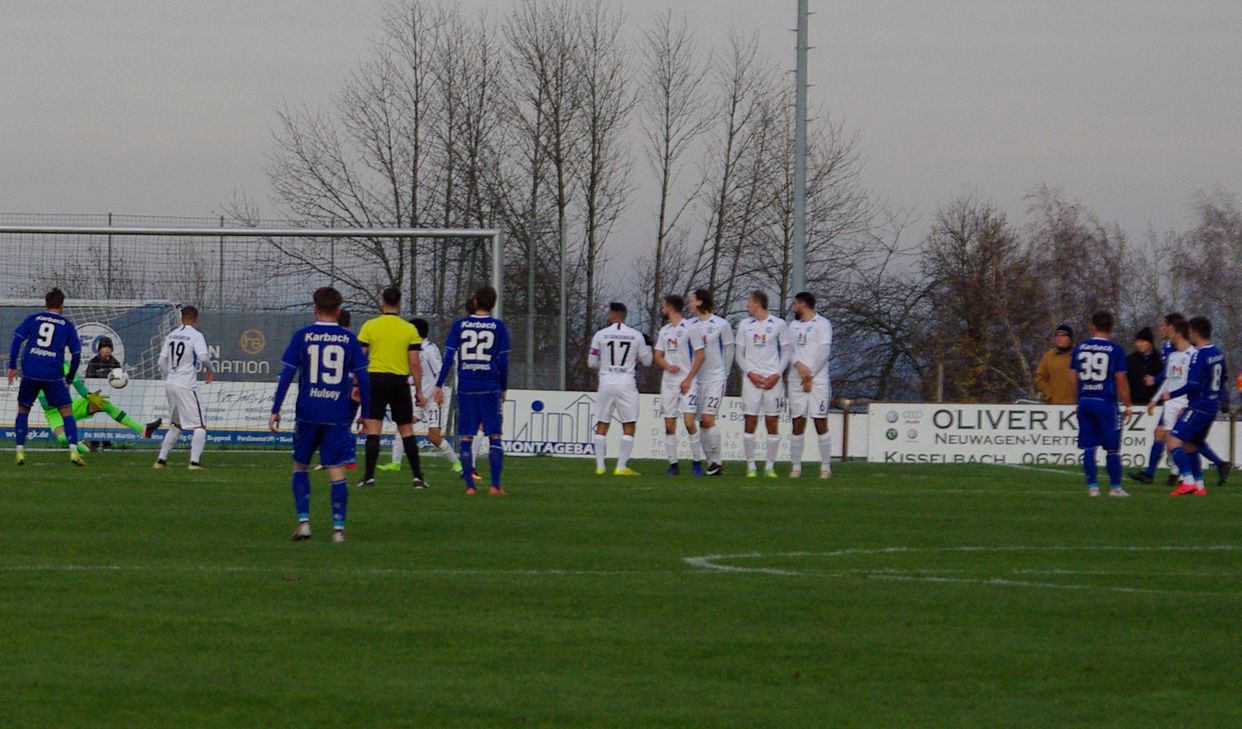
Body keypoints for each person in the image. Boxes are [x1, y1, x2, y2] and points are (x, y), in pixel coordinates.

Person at [270, 287, 370, 543]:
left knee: (300, 466)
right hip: (337, 412)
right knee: (337, 470)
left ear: (315, 309)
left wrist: (275, 409)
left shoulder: (303, 336)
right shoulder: (349, 339)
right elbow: (363, 378)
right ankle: (338, 530)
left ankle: (304, 523)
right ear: (338, 311)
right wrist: (366, 414)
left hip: (308, 411)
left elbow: (287, 373)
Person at [433, 285, 511, 495]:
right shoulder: (498, 327)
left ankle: (470, 486)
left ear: (475, 301)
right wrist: (504, 386)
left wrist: (439, 384)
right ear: (493, 304)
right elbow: (503, 362)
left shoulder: (460, 325)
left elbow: (449, 357)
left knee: (467, 435)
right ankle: (495, 485)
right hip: (490, 386)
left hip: (466, 386)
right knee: (494, 435)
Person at [379, 317, 473, 479]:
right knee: (404, 425)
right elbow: (422, 374)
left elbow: (439, 373)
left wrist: (431, 395)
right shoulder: (417, 350)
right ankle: (395, 463)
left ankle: (457, 463)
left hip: (431, 399)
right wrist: (408, 381)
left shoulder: (428, 350)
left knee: (433, 437)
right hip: (420, 397)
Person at [356, 287, 426, 489]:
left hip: (375, 380)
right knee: (406, 429)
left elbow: (360, 358)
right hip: (399, 382)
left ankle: (368, 477)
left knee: (373, 428)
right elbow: (415, 362)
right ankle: (418, 478)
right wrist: (419, 390)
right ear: (400, 303)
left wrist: (356, 384)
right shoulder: (409, 329)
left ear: (382, 302)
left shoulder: (370, 326)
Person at [8, 288, 85, 466]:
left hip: (31, 372)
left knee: (23, 410)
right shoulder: (66, 325)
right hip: (53, 375)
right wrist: (70, 377)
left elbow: (17, 339)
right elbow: (76, 354)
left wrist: (12, 366)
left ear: (46, 304)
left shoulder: (33, 319)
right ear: (62, 305)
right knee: (66, 412)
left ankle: (20, 451)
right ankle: (74, 451)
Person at [1161, 316, 1229, 496]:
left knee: (1173, 441)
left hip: (1199, 406)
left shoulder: (1199, 355)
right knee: (1190, 445)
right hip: (1211, 407)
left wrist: (1171, 394)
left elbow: (1192, 384)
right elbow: (1223, 378)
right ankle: (1199, 486)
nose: (1188, 334)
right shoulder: (1218, 353)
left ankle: (1188, 482)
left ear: (1195, 332)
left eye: (1190, 331)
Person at [1070, 311, 1132, 497]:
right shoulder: (1115, 349)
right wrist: (1128, 404)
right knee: (1112, 448)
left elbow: (1072, 377)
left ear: (1092, 326)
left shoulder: (1080, 347)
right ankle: (1115, 488)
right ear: (1111, 328)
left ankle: (1093, 488)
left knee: (1089, 446)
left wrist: (1078, 401)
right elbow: (1120, 378)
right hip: (1105, 402)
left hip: (1085, 400)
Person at [588, 302, 653, 476]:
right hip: (626, 382)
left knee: (602, 423)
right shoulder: (636, 335)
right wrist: (648, 347)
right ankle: (621, 467)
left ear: (613, 314)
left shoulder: (600, 334)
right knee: (629, 424)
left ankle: (600, 466)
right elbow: (647, 362)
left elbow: (591, 362)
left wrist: (606, 366)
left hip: (606, 382)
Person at [40, 360, 161, 454]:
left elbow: (79, 386)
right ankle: (86, 450)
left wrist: (90, 396)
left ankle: (143, 430)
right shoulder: (40, 372)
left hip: (70, 405)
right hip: (54, 412)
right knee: (63, 438)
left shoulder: (66, 364)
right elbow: (46, 404)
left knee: (103, 403)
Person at [1130, 318, 1193, 485]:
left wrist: (1189, 404)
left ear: (1178, 333)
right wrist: (1154, 400)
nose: (1167, 334)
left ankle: (1183, 476)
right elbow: (1168, 380)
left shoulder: (1193, 355)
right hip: (1170, 404)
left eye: (1170, 331)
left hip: (1184, 403)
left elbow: (1194, 383)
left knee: (1182, 442)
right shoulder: (1173, 356)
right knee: (1164, 436)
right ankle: (1162, 474)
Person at [735, 290, 791, 478]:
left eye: (749, 302)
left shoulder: (778, 324)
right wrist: (751, 374)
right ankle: (751, 466)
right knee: (750, 421)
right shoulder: (745, 325)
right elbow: (739, 354)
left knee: (772, 421)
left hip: (772, 381)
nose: (747, 306)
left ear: (757, 304)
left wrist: (777, 375)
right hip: (752, 381)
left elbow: (787, 352)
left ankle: (770, 467)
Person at [154, 305, 215, 469]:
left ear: (181, 318)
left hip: (170, 383)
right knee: (200, 425)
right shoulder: (196, 335)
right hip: (186, 384)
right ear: (196, 320)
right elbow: (203, 357)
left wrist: (170, 375)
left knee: (176, 425)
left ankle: (161, 460)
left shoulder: (171, 335)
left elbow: (161, 361)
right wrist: (211, 370)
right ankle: (194, 462)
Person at [653, 294, 706, 476]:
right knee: (669, 424)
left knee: (689, 422)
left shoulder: (690, 328)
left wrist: (688, 378)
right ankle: (673, 464)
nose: (662, 309)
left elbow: (700, 355)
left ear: (670, 307)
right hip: (669, 383)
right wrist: (668, 366)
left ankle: (697, 462)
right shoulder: (665, 331)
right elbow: (658, 355)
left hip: (687, 382)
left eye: (664, 306)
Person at [787, 291, 834, 479]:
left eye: (795, 304)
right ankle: (796, 467)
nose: (793, 308)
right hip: (796, 379)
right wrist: (799, 366)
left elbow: (824, 352)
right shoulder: (793, 325)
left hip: (818, 380)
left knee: (819, 421)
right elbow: (789, 350)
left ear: (803, 304)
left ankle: (826, 467)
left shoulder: (823, 324)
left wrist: (810, 375)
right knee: (797, 421)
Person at [688, 289, 734, 476]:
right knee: (702, 422)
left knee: (708, 419)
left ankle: (717, 459)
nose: (689, 304)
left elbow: (729, 350)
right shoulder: (690, 325)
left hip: (715, 378)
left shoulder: (721, 324)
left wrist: (725, 373)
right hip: (696, 380)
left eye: (692, 301)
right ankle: (712, 463)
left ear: (700, 302)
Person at [85, 336, 123, 450]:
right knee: (96, 417)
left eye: (109, 347)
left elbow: (120, 379)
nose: (107, 350)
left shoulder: (115, 363)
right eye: (105, 347)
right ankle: (94, 441)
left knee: (109, 416)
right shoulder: (93, 362)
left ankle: (107, 441)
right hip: (97, 395)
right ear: (100, 349)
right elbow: (89, 379)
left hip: (110, 395)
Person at [1035, 324, 1077, 404]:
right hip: (1056, 404)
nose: (1059, 338)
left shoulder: (1080, 354)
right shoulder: (1049, 356)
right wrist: (1049, 393)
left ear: (1070, 338)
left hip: (1076, 404)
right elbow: (1040, 378)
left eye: (1063, 336)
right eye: (1057, 335)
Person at [1126, 327, 1163, 406]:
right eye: (1137, 341)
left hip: (1156, 404)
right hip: (1135, 403)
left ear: (1150, 343)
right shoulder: (1130, 359)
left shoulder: (1160, 360)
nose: (1139, 344)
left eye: (1142, 341)